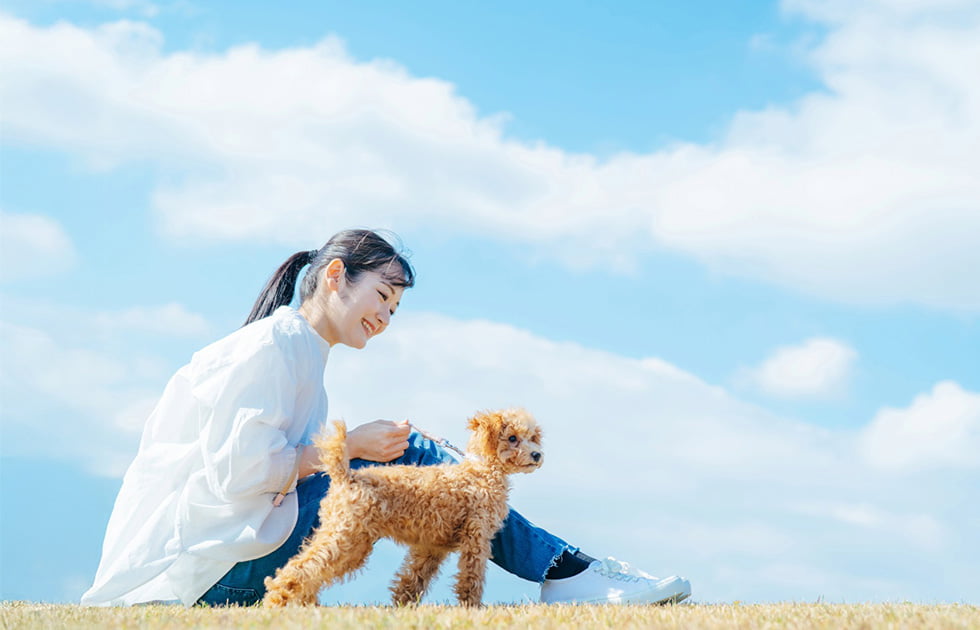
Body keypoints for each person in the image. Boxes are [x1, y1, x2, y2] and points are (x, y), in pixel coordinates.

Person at [81, 228, 691, 607]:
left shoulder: (299, 352)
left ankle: (568, 570)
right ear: (336, 276)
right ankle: (570, 573)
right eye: (382, 297)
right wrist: (353, 449)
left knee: (425, 462)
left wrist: (362, 449)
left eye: (395, 310)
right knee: (427, 460)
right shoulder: (273, 347)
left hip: (221, 564)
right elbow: (241, 476)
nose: (385, 318)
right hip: (206, 577)